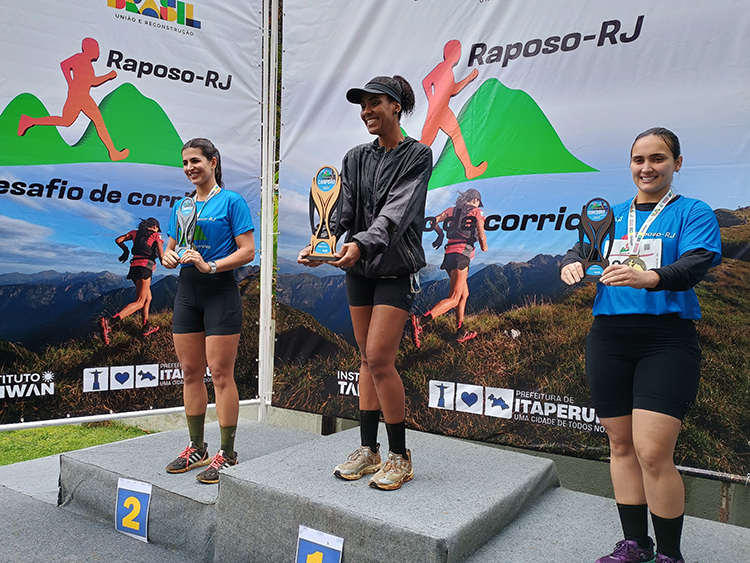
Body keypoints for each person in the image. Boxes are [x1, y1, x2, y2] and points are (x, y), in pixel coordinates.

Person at [560, 127, 721, 563]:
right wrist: (571, 265)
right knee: (621, 446)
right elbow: (582, 251)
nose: (646, 168)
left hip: (666, 339)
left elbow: (695, 263)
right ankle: (636, 545)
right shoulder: (609, 214)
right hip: (609, 338)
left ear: (677, 163)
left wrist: (649, 277)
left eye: (657, 158)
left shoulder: (693, 211)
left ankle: (670, 554)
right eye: (638, 159)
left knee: (652, 452)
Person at [298, 75, 432, 490]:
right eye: (362, 105)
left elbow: (397, 213)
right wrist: (322, 243)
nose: (367, 111)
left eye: (375, 103)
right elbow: (343, 209)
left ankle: (400, 456)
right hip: (358, 271)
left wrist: (360, 243)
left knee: (379, 358)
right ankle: (368, 450)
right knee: (365, 359)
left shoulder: (418, 155)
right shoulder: (355, 157)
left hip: (395, 270)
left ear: (396, 107)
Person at [162, 138, 255, 484]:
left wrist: (211, 265)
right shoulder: (182, 206)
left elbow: (248, 251)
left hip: (220, 292)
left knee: (219, 374)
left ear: (213, 162)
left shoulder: (231, 201)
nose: (190, 168)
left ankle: (227, 452)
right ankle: (197, 448)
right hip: (187, 292)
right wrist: (167, 256)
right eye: (185, 162)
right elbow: (170, 247)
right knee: (190, 372)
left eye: (196, 161)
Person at [18, 37, 129, 161]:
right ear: (89, 49)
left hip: (81, 95)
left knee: (67, 121)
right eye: (95, 48)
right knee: (96, 122)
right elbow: (91, 80)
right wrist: (108, 76)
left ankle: (29, 121)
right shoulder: (81, 60)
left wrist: (71, 82)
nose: (98, 52)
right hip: (79, 97)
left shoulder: (84, 62)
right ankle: (113, 152)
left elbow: (67, 66)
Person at [410, 188, 487, 347]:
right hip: (461, 255)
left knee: (464, 294)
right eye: (478, 201)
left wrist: (440, 235)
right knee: (454, 298)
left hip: (449, 255)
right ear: (476, 200)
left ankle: (460, 331)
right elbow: (481, 232)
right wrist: (483, 246)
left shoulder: (452, 210)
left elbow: (433, 221)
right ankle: (420, 321)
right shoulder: (477, 212)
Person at [99, 217, 164, 344]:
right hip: (145, 268)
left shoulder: (134, 233)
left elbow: (118, 240)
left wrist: (126, 250)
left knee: (148, 298)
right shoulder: (157, 235)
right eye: (157, 228)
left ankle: (146, 326)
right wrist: (169, 263)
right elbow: (161, 255)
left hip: (134, 268)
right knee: (140, 301)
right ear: (155, 227)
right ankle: (110, 322)